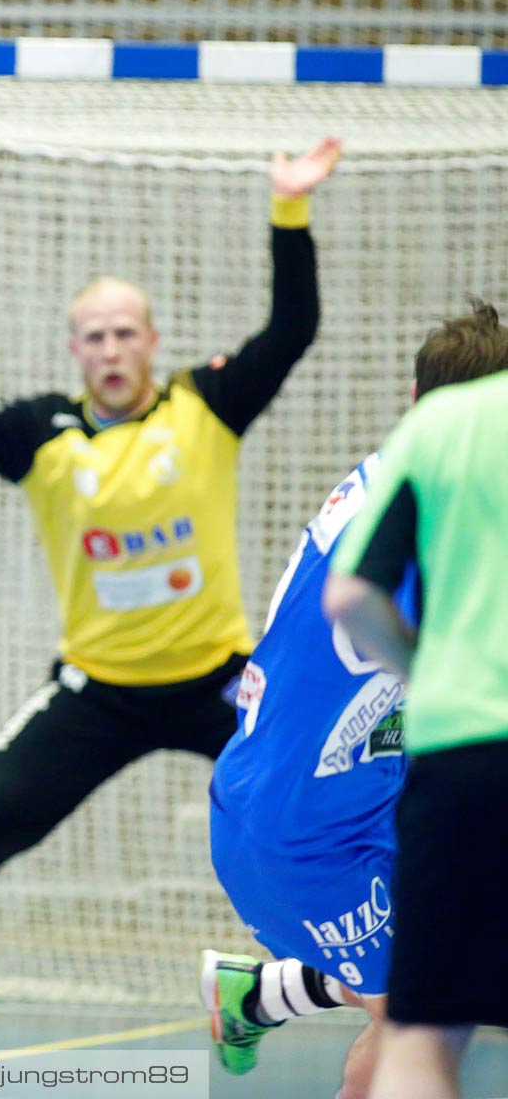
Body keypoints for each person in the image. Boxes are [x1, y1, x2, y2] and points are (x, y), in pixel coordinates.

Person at [0, 138, 343, 1014]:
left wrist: (290, 207)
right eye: (95, 336)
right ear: (75, 350)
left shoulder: (203, 405)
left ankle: (395, 958)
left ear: (152, 341)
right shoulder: (41, 433)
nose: (111, 349)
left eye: (125, 332)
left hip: (218, 679)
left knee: (313, 803)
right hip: (96, 693)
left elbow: (293, 330)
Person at [199, 304, 508, 1099]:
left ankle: (262, 994)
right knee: (422, 1025)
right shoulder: (436, 520)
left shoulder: (402, 475)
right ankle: (265, 993)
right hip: (303, 835)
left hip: (363, 801)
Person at [323, 356, 508, 1099]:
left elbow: (352, 594)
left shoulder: (441, 423)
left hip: (461, 748)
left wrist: (425, 674)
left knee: (421, 1034)